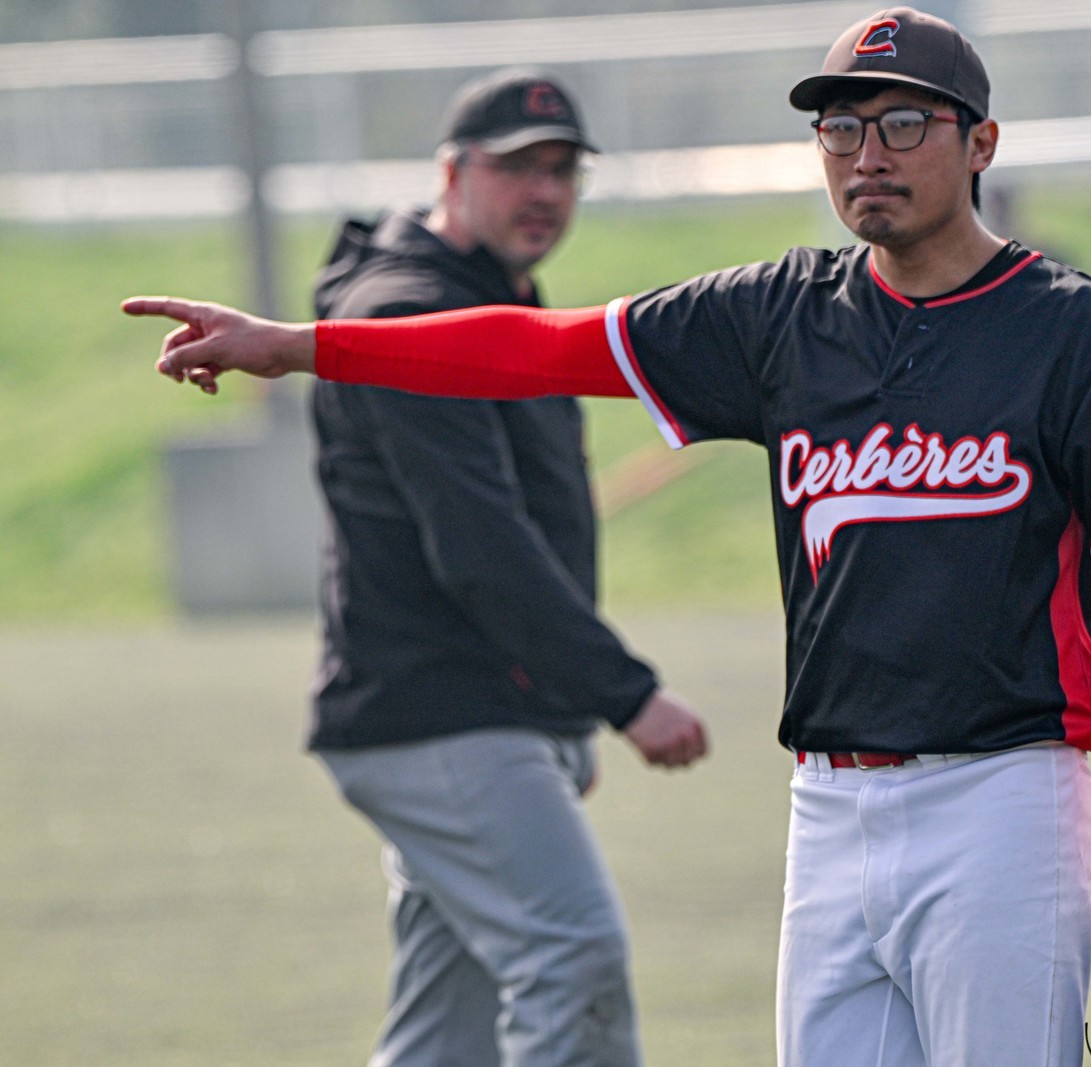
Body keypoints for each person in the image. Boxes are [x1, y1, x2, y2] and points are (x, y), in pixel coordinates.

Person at [128, 9, 1091, 1065]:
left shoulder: (1077, 333)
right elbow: (544, 346)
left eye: (904, 122)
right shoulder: (778, 316)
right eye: (839, 127)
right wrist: (303, 346)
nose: (866, 154)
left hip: (1003, 805)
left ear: (980, 141)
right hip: (829, 809)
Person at [301, 68, 707, 1067]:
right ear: (452, 172)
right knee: (572, 956)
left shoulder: (484, 296)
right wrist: (619, 693)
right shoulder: (406, 312)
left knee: (447, 1029)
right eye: (519, 167)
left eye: (564, 169)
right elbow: (480, 543)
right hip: (444, 712)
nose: (545, 191)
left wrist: (555, 710)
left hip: (478, 711)